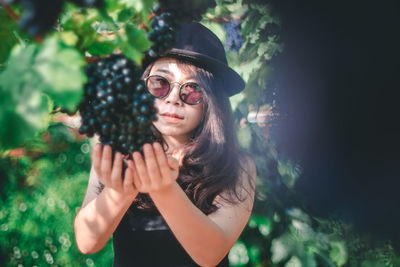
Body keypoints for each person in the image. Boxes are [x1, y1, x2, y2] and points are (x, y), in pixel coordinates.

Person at [74, 22, 256, 267]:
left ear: (211, 102)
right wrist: (123, 189)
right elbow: (87, 242)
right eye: (160, 84)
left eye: (192, 90)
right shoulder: (116, 151)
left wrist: (163, 189)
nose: (173, 98)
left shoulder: (237, 166)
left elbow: (211, 254)